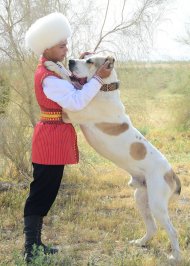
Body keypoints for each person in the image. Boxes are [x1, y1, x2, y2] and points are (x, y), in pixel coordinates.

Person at [24, 12, 111, 263]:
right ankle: (30, 249)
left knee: (46, 192)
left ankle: (36, 244)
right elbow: (77, 101)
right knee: (41, 192)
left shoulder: (54, 69)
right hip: (50, 139)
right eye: (62, 46)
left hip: (53, 137)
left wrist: (85, 66)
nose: (66, 49)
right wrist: (97, 78)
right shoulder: (49, 78)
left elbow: (73, 87)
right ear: (46, 47)